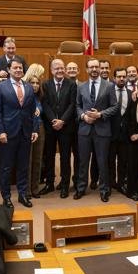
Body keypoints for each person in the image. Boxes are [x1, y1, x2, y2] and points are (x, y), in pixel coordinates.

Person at [0, 59, 39, 208]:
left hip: (25, 132)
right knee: (6, 167)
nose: (18, 70)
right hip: (8, 132)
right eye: (15, 68)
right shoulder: (1, 87)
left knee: (23, 166)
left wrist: (34, 129)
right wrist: (0, 131)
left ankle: (22, 195)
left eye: (20, 68)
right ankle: (6, 197)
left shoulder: (29, 87)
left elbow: (33, 111)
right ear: (9, 70)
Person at [74, 58, 119, 202]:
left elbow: (114, 106)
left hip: (102, 130)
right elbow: (77, 105)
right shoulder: (81, 86)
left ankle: (105, 190)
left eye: (96, 67)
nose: (94, 69)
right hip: (84, 130)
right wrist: (83, 116)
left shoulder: (109, 86)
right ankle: (81, 188)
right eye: (91, 67)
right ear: (87, 70)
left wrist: (100, 114)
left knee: (102, 161)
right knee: (83, 161)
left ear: (100, 68)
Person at [40, 59, 77, 199]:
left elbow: (72, 105)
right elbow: (45, 104)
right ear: (51, 70)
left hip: (66, 127)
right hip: (50, 127)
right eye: (57, 68)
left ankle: (65, 185)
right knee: (49, 156)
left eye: (62, 68)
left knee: (65, 157)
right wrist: (53, 120)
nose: (60, 70)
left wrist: (62, 121)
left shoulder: (72, 84)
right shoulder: (46, 84)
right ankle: (49, 183)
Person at [109, 67, 132, 196]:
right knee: (110, 161)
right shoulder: (108, 92)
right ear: (114, 78)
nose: (122, 78)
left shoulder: (131, 93)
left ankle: (121, 183)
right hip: (110, 133)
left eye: (124, 76)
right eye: (119, 76)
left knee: (123, 161)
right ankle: (111, 183)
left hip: (125, 135)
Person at [26, 74, 46, 199]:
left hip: (40, 128)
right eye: (32, 83)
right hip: (27, 128)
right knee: (27, 160)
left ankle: (35, 188)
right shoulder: (24, 97)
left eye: (37, 83)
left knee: (37, 159)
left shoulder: (40, 98)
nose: (35, 85)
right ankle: (26, 190)